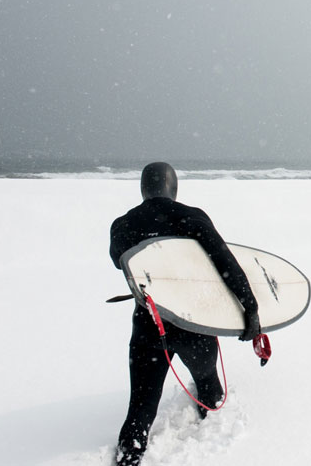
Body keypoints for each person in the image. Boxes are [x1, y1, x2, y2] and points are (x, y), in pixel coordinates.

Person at [109, 162, 261, 466]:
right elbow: (224, 262)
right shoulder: (191, 216)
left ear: (143, 188)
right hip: (195, 324)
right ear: (173, 187)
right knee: (207, 383)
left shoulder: (122, 224)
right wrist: (251, 308)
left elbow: (120, 262)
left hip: (149, 326)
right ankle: (211, 418)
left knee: (140, 408)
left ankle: (129, 457)